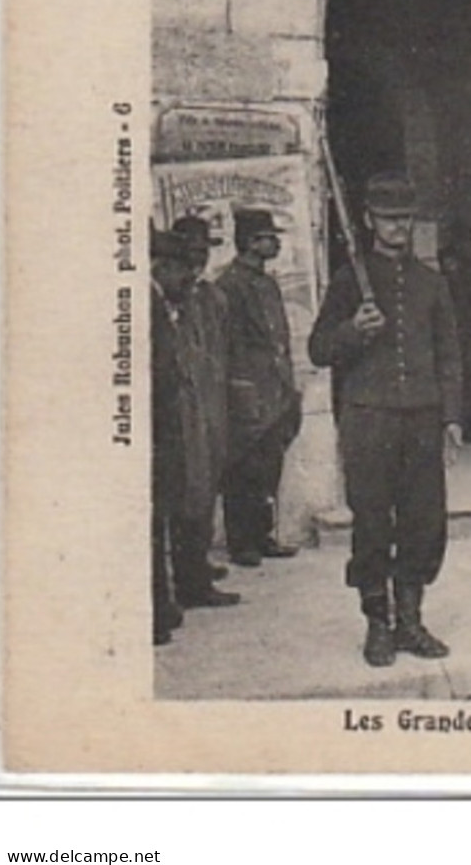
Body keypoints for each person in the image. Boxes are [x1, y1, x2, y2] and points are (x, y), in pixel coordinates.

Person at [309, 172, 463, 668]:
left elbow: (449, 356)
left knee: (423, 521)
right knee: (373, 522)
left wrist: (452, 417)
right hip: (368, 418)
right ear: (369, 221)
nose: (398, 228)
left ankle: (410, 622)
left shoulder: (431, 282)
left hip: (421, 416)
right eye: (388, 218)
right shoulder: (348, 280)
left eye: (405, 218)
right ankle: (377, 624)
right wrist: (353, 330)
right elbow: (318, 349)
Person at [214, 208, 302, 568]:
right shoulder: (229, 286)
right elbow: (228, 346)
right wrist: (241, 390)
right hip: (248, 391)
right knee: (243, 468)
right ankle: (242, 542)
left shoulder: (267, 282)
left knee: (268, 465)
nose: (276, 242)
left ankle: (262, 535)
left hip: (275, 388)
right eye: (269, 237)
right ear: (251, 242)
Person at [166, 215, 241, 608]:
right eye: (191, 251)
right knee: (188, 492)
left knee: (207, 485)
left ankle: (196, 564)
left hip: (211, 408)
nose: (198, 258)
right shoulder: (170, 301)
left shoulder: (212, 298)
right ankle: (190, 579)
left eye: (203, 250)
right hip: (183, 413)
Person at [151, 228, 200, 644]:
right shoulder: (145, 305)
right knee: (151, 523)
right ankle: (155, 614)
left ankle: (162, 606)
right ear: (161, 267)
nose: (188, 278)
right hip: (153, 431)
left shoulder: (160, 302)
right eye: (182, 270)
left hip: (164, 427)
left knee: (158, 518)